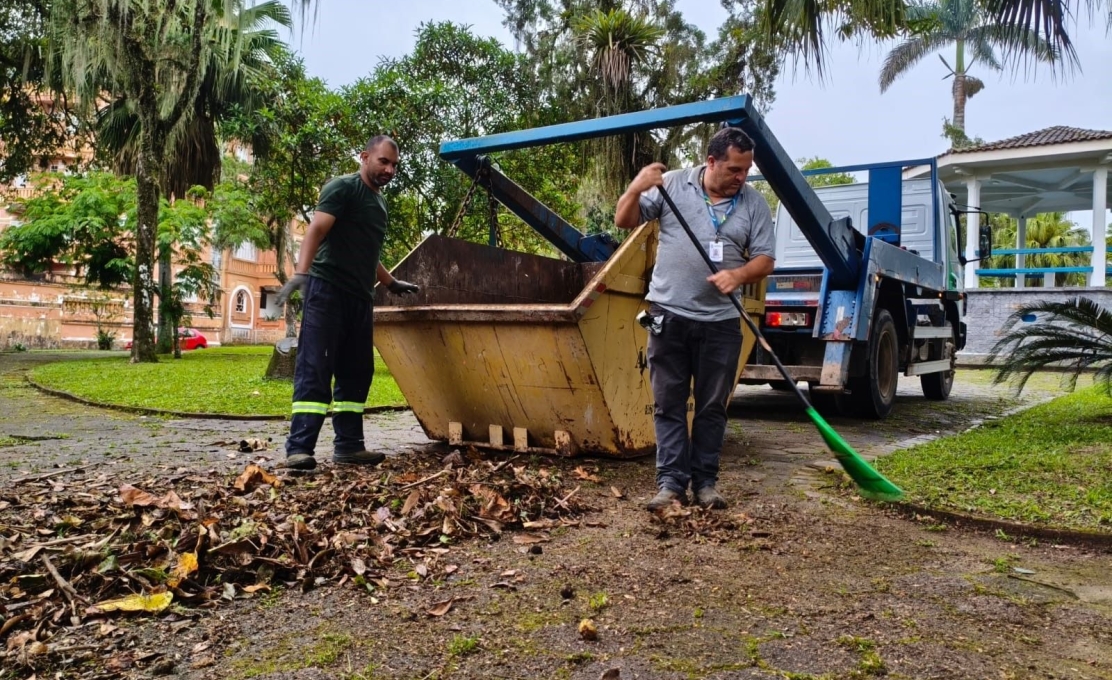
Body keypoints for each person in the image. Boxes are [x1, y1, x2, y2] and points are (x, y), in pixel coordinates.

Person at [614, 127, 776, 510]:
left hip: (721, 324)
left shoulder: (753, 204)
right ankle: (671, 484)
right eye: (735, 169)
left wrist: (737, 275)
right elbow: (624, 220)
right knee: (669, 404)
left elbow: (766, 260)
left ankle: (705, 484)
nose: (741, 178)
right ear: (711, 161)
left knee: (711, 407)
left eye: (746, 170)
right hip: (669, 317)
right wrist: (636, 187)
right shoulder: (672, 185)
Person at [274, 135, 420, 471]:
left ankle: (349, 447)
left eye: (395, 164)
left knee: (357, 371)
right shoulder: (342, 188)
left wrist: (390, 281)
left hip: (359, 297)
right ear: (365, 156)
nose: (390, 169)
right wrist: (300, 274)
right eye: (384, 161)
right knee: (316, 366)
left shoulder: (379, 203)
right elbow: (316, 230)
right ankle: (299, 449)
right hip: (327, 290)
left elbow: (369, 252)